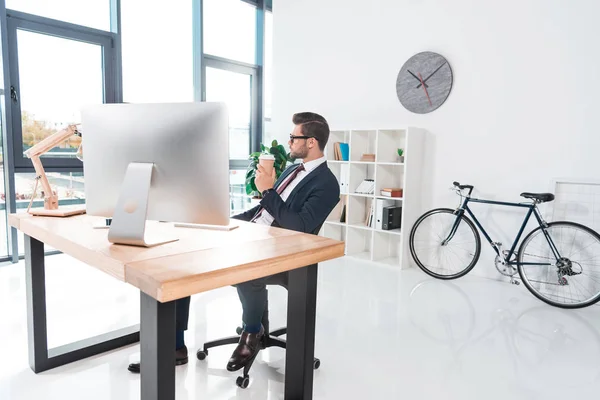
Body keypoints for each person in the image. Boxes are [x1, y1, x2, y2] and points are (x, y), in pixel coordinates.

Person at [127, 111, 340, 373]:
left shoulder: (327, 184)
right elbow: (263, 211)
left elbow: (299, 226)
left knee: (248, 270)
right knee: (182, 262)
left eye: (293, 137)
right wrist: (223, 220)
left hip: (284, 252)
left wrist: (267, 190)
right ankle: (175, 346)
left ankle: (252, 332)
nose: (289, 142)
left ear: (311, 142)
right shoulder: (292, 170)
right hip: (256, 236)